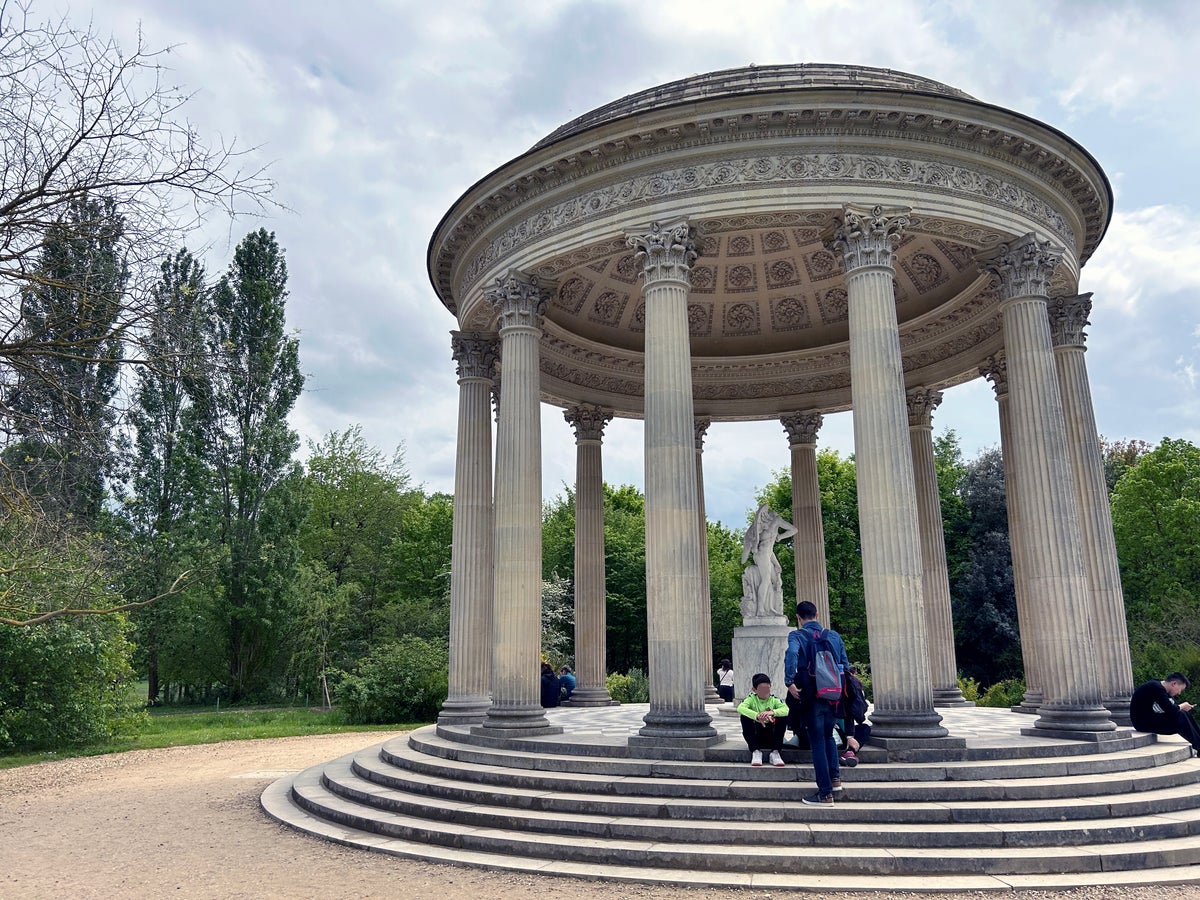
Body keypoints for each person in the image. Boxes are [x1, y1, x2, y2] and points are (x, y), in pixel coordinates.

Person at [784, 599, 850, 806]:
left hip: (811, 693)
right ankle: (835, 779)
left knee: (817, 741)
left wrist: (789, 681)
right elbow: (845, 664)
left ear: (798, 617)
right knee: (828, 736)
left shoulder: (797, 635)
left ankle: (825, 793)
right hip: (832, 694)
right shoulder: (833, 636)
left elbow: (792, 654)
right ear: (817, 614)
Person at [739, 504, 798, 619]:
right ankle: (760, 609)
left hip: (767, 555)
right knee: (766, 580)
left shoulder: (770, 526)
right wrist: (781, 536)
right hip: (761, 555)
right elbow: (793, 529)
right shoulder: (773, 522)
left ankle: (772, 609)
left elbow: (770, 551)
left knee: (777, 582)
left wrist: (776, 564)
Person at [1129, 672, 1200, 754]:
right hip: (1142, 723)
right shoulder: (1156, 688)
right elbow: (1170, 710)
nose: (1179, 693)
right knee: (1180, 715)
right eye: (1180, 689)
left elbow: (1173, 708)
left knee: (1183, 713)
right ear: (1174, 683)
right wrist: (1183, 705)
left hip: (1149, 719)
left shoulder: (1159, 687)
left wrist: (1182, 707)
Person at [736, 673, 789, 767]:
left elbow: (786, 709)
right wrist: (757, 716)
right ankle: (756, 752)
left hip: (771, 734)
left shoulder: (774, 700)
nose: (765, 692)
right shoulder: (751, 699)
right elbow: (740, 708)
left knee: (782, 716)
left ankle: (775, 753)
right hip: (756, 734)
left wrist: (772, 713)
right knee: (744, 716)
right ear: (754, 690)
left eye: (767, 688)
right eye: (761, 689)